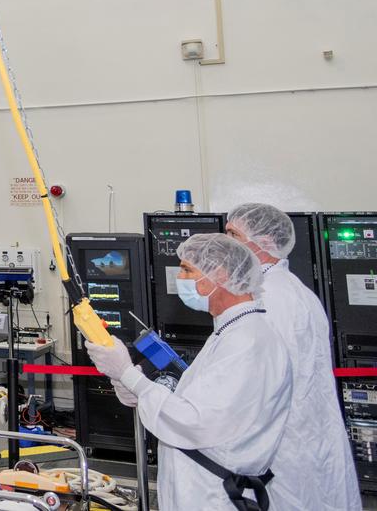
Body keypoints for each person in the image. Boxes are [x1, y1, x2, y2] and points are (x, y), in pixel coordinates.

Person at [86, 233, 292, 510]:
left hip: (213, 495)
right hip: (202, 486)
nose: (178, 278)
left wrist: (128, 374)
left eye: (187, 270)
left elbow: (193, 421)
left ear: (220, 274)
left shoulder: (247, 341)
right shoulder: (231, 331)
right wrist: (137, 387)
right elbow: (199, 401)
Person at [225, 203, 361, 510]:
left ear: (265, 243)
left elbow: (260, 378)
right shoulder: (289, 288)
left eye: (233, 234)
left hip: (286, 443)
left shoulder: (270, 297)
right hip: (306, 435)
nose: (226, 244)